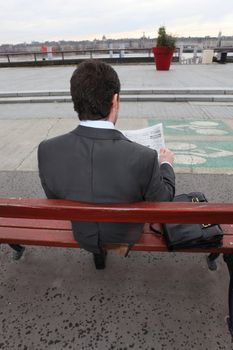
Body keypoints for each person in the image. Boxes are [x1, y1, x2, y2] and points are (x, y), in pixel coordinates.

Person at [38, 60, 175, 269]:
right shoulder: (143, 157)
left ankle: (97, 252)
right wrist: (166, 164)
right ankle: (112, 248)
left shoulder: (47, 150)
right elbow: (163, 202)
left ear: (75, 101)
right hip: (126, 235)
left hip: (83, 235)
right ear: (115, 101)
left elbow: (54, 197)